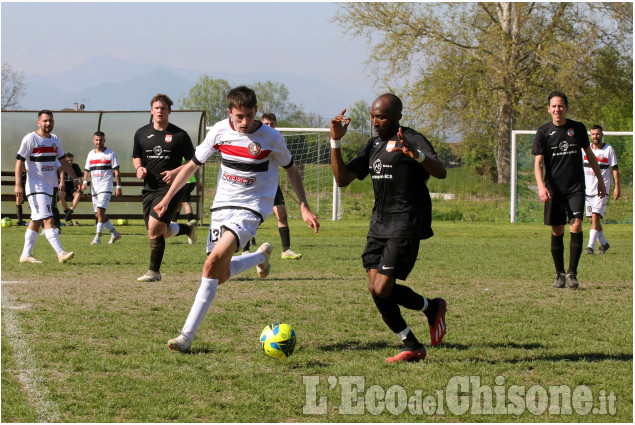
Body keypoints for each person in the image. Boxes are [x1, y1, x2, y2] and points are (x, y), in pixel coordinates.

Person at [155, 86, 319, 352]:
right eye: (240, 116)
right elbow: (191, 167)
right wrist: (167, 198)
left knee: (211, 264)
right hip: (222, 206)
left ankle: (186, 336)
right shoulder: (219, 131)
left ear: (256, 111)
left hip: (252, 207)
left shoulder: (271, 138)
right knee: (218, 274)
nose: (245, 122)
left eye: (250, 115)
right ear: (229, 112)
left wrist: (304, 206)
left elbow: (291, 171)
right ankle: (260, 257)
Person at [329, 94, 448, 363]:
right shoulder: (373, 145)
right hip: (378, 225)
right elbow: (342, 178)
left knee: (382, 289)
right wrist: (336, 141)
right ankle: (411, 342)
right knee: (374, 288)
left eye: (381, 116)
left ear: (397, 117)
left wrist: (415, 155)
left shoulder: (412, 138)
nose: (375, 122)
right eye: (373, 116)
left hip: (405, 223)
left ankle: (432, 307)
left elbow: (440, 171)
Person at [532, 91, 606, 289]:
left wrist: (600, 180)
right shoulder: (542, 132)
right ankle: (559, 274)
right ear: (549, 109)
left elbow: (590, 155)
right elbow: (538, 164)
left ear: (566, 107)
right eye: (554, 106)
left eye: (561, 105)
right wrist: (541, 186)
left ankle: (572, 273)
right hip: (554, 190)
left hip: (576, 188)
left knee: (576, 225)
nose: (557, 109)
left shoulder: (578, 128)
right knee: (557, 231)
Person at [133, 94, 198, 282]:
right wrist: (139, 168)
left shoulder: (180, 135)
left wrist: (176, 172)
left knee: (154, 229)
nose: (160, 111)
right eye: (157, 108)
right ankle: (186, 229)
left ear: (169, 110)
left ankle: (154, 272)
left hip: (171, 189)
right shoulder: (141, 133)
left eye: (163, 108)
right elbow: (136, 156)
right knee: (159, 232)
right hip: (149, 189)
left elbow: (193, 162)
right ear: (151, 110)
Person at [15, 109, 77, 264]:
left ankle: (25, 255)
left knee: (36, 220)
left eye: (50, 120)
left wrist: (75, 178)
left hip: (49, 187)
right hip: (36, 187)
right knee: (48, 219)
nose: (48, 123)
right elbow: (19, 162)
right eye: (45, 120)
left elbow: (63, 162)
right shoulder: (30, 138)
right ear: (38, 122)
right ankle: (60, 252)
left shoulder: (55, 140)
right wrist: (18, 184)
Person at [242, 112, 302, 260]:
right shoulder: (255, 138)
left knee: (282, 214)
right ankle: (245, 249)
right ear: (261, 124)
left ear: (275, 124)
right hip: (254, 185)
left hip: (272, 185)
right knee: (249, 215)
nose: (269, 126)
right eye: (266, 124)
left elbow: (286, 163)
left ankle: (286, 250)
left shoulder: (277, 140)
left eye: (272, 124)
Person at [81, 131, 122, 245]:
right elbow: (87, 170)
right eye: (96, 140)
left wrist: (118, 186)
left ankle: (97, 238)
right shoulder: (90, 154)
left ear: (104, 140)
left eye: (101, 140)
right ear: (94, 140)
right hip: (94, 188)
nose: (99, 142)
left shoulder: (110, 154)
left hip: (105, 187)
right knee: (98, 214)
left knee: (100, 211)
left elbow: (116, 172)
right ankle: (115, 233)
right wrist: (85, 182)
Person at [584, 125, 620, 255]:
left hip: (602, 189)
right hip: (588, 190)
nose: (595, 136)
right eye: (593, 134)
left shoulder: (609, 150)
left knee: (595, 217)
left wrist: (617, 187)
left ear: (602, 134)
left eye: (597, 134)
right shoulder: (585, 150)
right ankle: (604, 243)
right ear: (590, 135)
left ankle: (590, 247)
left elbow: (615, 169)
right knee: (592, 220)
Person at [58, 152, 83, 225]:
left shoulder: (75, 166)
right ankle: (67, 212)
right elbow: (57, 179)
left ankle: (69, 212)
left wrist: (81, 190)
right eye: (68, 160)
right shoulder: (60, 167)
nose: (69, 162)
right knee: (60, 194)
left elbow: (79, 179)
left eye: (71, 160)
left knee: (78, 194)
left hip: (73, 187)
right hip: (64, 188)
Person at [174, 157, 200, 224]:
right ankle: (174, 221)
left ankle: (191, 222)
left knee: (185, 202)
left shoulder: (180, 157)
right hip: (192, 182)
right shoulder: (191, 157)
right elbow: (196, 170)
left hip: (185, 182)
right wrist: (198, 182)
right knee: (179, 202)